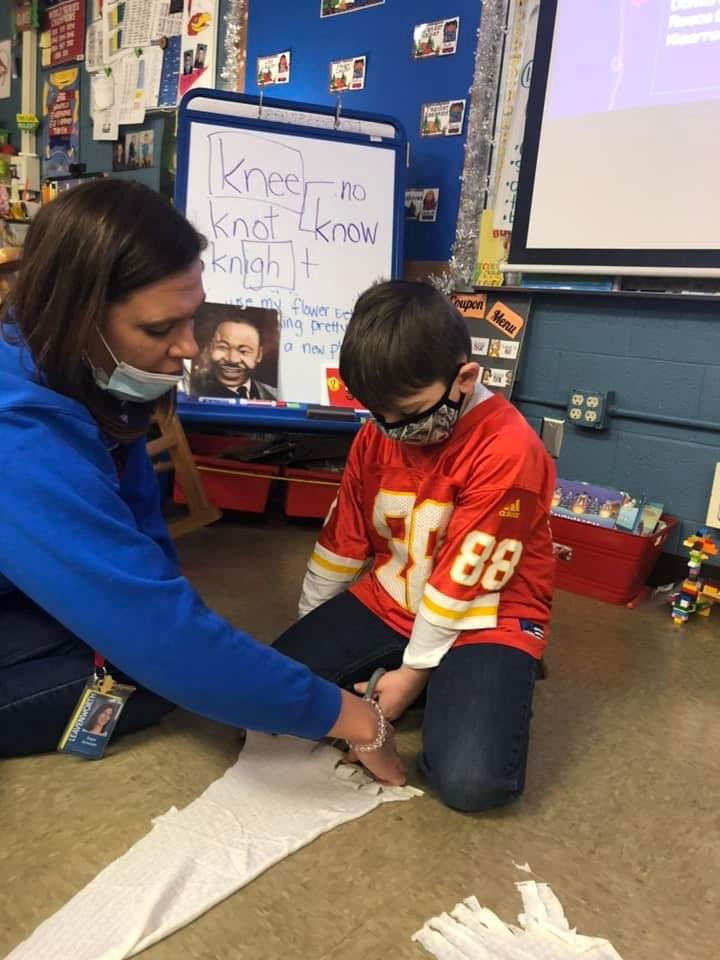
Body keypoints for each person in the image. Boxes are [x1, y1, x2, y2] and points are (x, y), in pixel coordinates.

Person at [0, 179, 404, 787]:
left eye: (193, 318)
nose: (189, 349)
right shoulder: (19, 433)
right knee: (153, 674)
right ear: (78, 316)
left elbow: (144, 546)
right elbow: (158, 631)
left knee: (147, 655)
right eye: (162, 330)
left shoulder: (84, 372)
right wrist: (357, 719)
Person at [274, 281, 556, 812]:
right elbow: (342, 542)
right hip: (394, 597)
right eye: (380, 414)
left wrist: (413, 673)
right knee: (270, 695)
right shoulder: (377, 432)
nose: (394, 431)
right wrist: (311, 632)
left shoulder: (509, 449)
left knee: (473, 783)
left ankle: (482, 680)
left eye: (410, 412)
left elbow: (460, 585)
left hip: (487, 613)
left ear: (464, 378)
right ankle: (433, 681)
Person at [191, 314, 278, 400]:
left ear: (259, 355)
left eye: (244, 351)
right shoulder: (190, 390)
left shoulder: (274, 396)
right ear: (210, 348)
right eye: (223, 347)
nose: (232, 359)